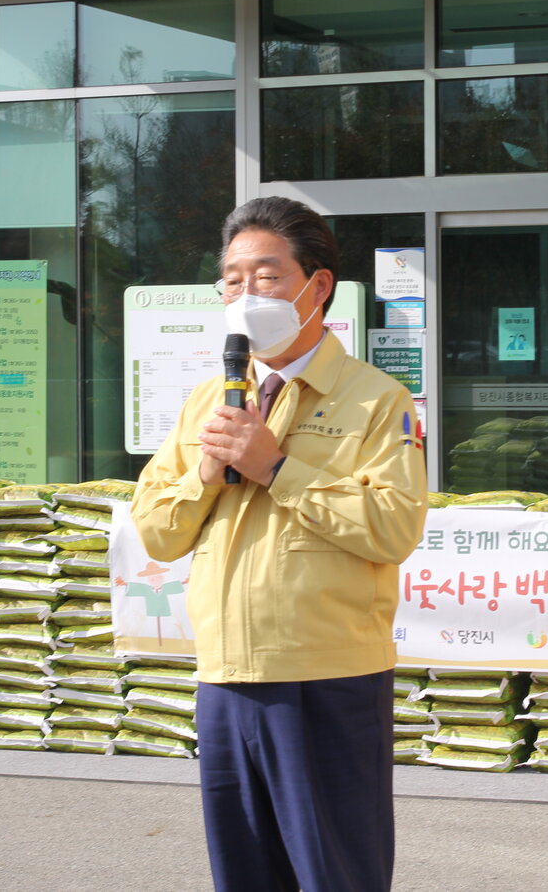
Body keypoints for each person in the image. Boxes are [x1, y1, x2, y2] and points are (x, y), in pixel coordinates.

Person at [131, 196, 428, 891]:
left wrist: (276, 468)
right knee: (245, 874)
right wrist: (206, 475)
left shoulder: (377, 400)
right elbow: (156, 531)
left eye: (265, 277)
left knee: (335, 873)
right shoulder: (210, 399)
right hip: (227, 674)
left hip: (327, 676)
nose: (245, 295)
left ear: (317, 287)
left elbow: (393, 526)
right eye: (231, 280)